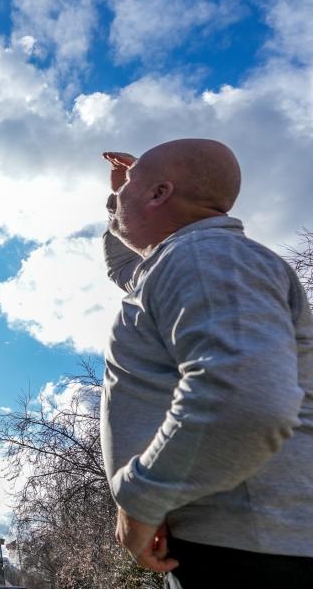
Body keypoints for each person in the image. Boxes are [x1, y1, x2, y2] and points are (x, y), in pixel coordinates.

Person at [100, 139, 313, 588]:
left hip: (254, 554)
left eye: (128, 189)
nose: (117, 197)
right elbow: (125, 267)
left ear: (159, 195)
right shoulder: (179, 261)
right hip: (237, 545)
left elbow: (245, 400)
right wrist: (119, 199)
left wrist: (140, 500)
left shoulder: (204, 257)